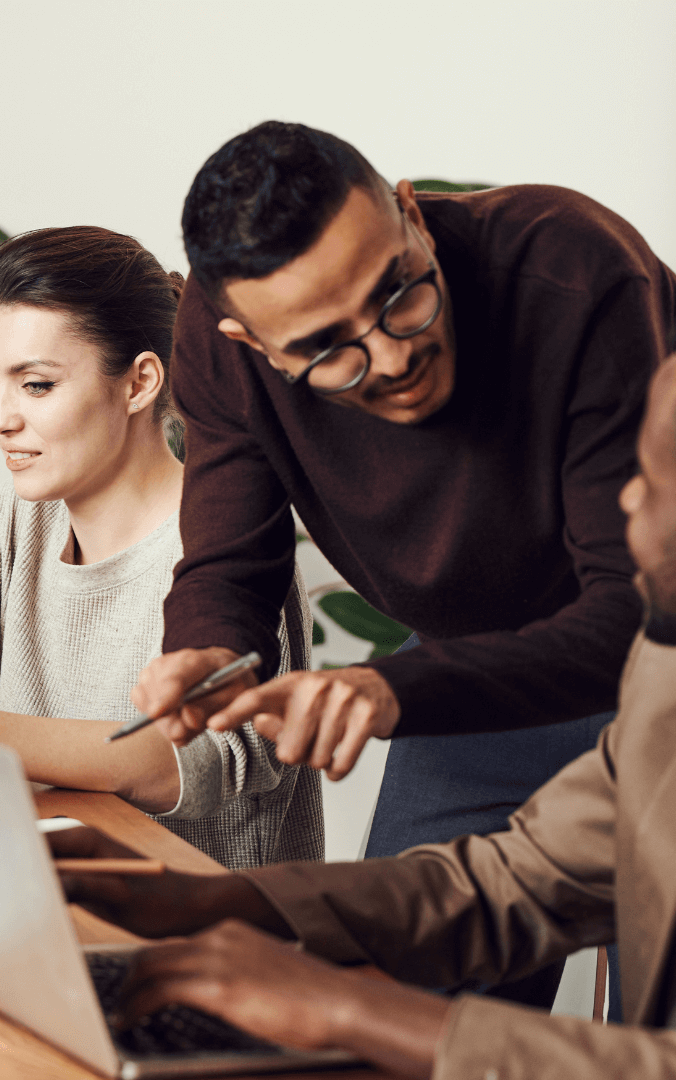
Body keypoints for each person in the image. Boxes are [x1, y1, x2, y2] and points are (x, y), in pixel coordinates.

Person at [135, 122, 675, 999]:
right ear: (251, 343)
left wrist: (389, 692)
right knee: (395, 996)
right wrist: (207, 651)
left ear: (412, 217)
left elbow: (632, 607)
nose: (393, 356)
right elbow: (227, 565)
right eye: (326, 350)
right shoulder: (214, 338)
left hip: (656, 669)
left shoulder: (573, 269)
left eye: (401, 294)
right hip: (471, 689)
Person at [51, 352, 676, 1077]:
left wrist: (347, 1009)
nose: (625, 503)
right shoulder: (661, 677)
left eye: (656, 480)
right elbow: (506, 882)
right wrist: (211, 901)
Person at [0, 226, 321, 870]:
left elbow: (189, 764)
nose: (0, 418)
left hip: (213, 939)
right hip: (49, 902)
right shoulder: (17, 525)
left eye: (35, 386)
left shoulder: (232, 547)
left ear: (140, 382)